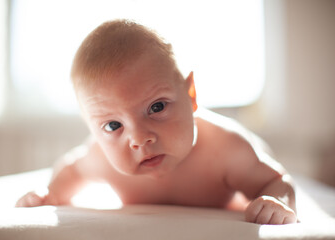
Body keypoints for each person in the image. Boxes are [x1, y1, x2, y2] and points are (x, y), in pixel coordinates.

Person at [16, 19, 297, 225]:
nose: (139, 139)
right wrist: (50, 193)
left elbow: (276, 180)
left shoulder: (225, 150)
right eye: (113, 126)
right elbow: (72, 169)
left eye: (157, 107)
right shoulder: (99, 157)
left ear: (190, 95)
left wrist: (276, 201)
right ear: (92, 129)